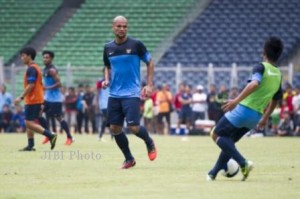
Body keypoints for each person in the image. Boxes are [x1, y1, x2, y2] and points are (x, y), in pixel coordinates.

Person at [207, 37, 284, 181]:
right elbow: (276, 98)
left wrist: (236, 101)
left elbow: (254, 84)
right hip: (255, 117)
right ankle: (213, 173)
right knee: (229, 143)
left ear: (264, 51)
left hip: (243, 110)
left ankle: (243, 163)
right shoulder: (279, 74)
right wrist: (265, 118)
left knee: (215, 134)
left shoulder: (260, 67)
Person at [102, 16, 157, 169]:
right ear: (113, 27)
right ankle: (129, 159)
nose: (122, 29)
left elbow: (150, 61)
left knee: (133, 128)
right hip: (114, 94)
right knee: (114, 129)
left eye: (125, 26)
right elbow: (107, 65)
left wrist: (149, 84)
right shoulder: (108, 47)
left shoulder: (136, 44)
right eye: (119, 26)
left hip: (132, 93)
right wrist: (106, 79)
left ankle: (149, 142)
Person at [14, 47, 57, 151]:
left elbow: (31, 85)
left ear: (29, 56)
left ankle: (50, 135)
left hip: (33, 99)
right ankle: (30, 145)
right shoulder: (35, 67)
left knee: (28, 123)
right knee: (30, 122)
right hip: (35, 99)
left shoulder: (32, 68)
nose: (22, 58)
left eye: (23, 55)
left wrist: (20, 97)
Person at [40, 50, 73, 145]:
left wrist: (46, 88)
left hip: (55, 99)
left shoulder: (52, 70)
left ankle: (69, 137)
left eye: (47, 57)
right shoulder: (45, 69)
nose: (45, 59)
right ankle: (48, 135)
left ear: (51, 59)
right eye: (44, 57)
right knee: (39, 113)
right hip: (47, 98)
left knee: (59, 118)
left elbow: (59, 84)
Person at [96, 77, 112, 141]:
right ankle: (101, 135)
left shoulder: (113, 80)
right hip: (103, 103)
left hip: (111, 102)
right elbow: (98, 92)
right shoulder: (100, 81)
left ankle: (103, 135)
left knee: (108, 119)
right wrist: (97, 102)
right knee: (106, 119)